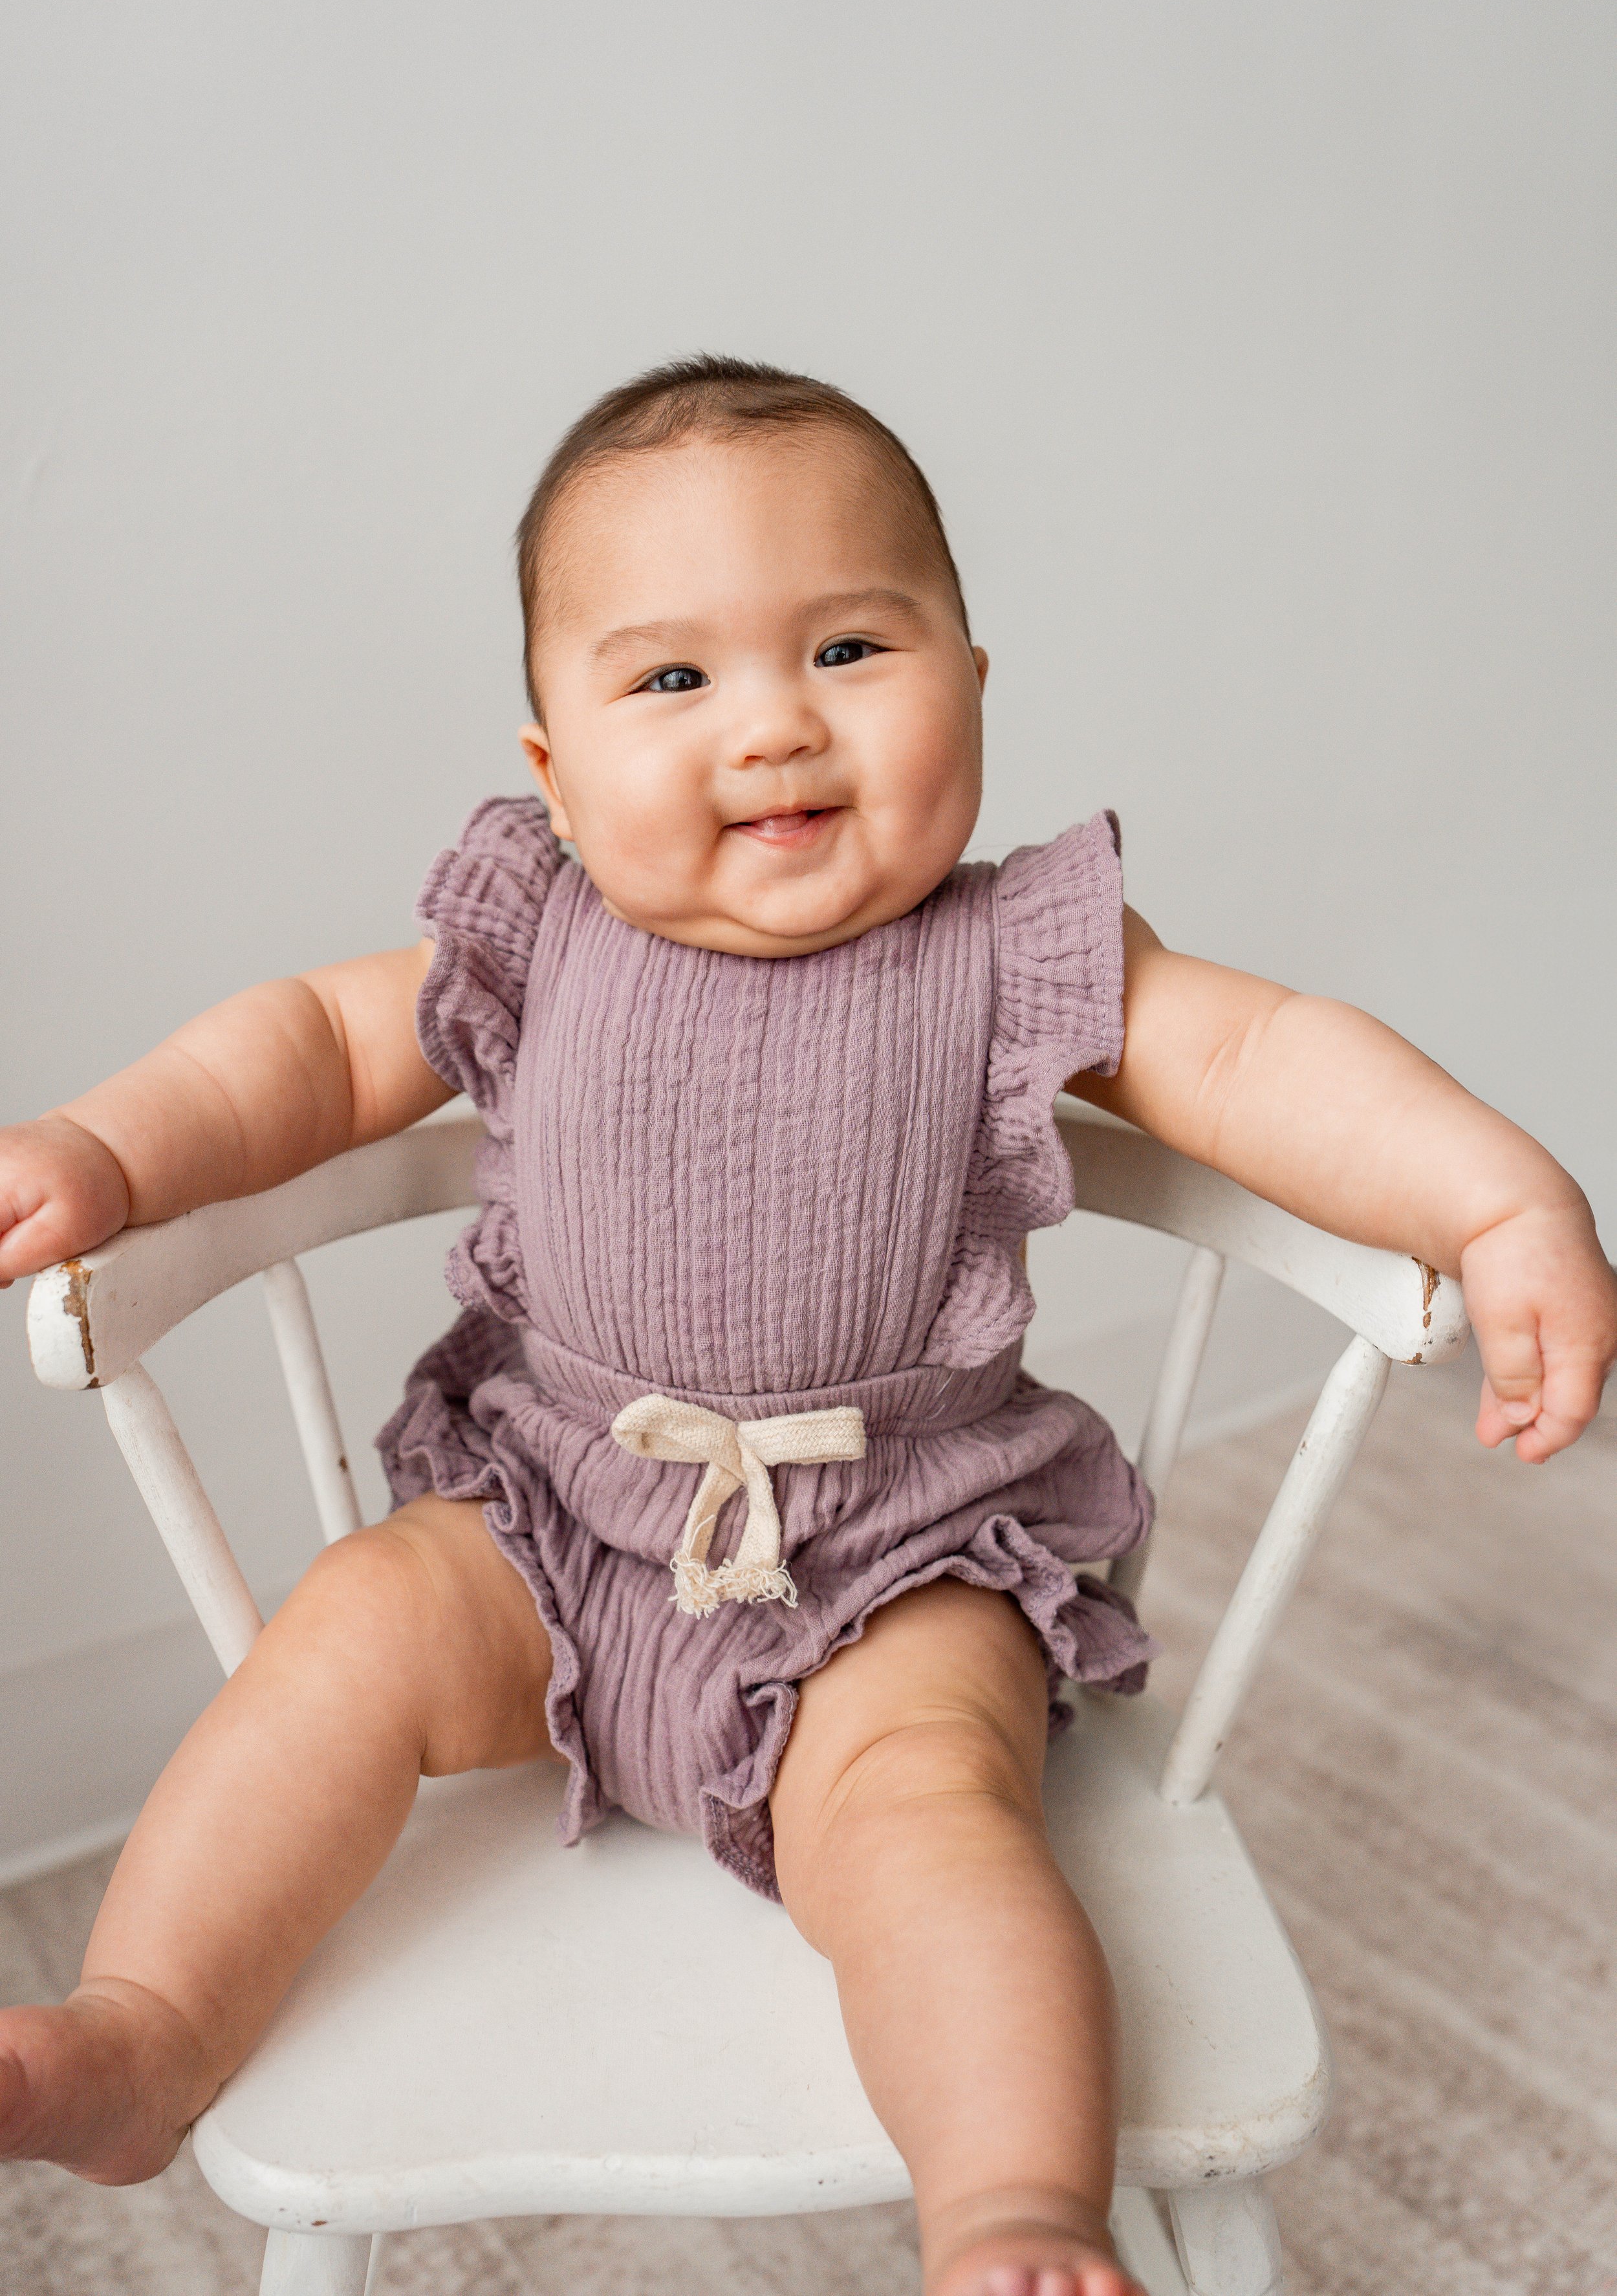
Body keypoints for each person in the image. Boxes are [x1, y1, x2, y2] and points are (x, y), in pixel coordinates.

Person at [1, 358, 1611, 2296]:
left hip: (892, 1565)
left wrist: (1497, 1198)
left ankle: (1012, 2202)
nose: (770, 724)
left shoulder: (1014, 947)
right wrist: (110, 1146)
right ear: (554, 769)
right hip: (555, 1525)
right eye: (670, 679)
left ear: (972, 681)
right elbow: (308, 1047)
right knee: (343, 1636)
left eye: (848, 644)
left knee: (935, 1825)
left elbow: (1267, 1058)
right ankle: (145, 2034)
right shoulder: (540, 934)